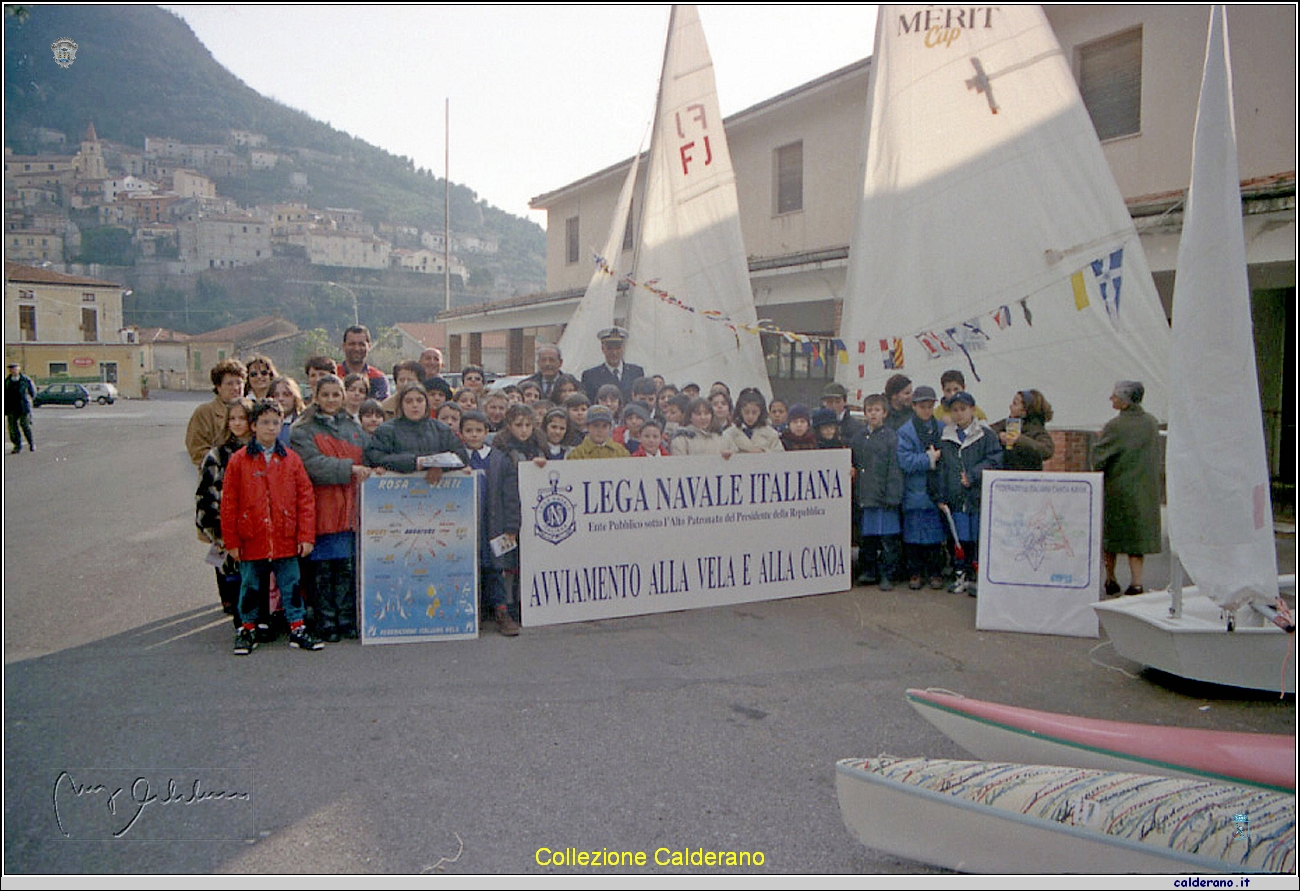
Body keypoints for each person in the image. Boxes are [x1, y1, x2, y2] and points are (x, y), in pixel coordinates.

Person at [221, 399, 321, 655]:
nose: (270, 428)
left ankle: (297, 627)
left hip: (285, 536)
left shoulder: (291, 460)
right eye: (264, 422)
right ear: (253, 426)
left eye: (276, 422)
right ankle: (247, 628)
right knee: (250, 585)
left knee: (291, 584)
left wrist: (305, 535)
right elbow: (229, 503)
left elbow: (305, 498)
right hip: (251, 537)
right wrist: (231, 541)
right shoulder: (238, 461)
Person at [291, 375, 376, 641]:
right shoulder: (302, 430)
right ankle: (326, 621)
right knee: (322, 569)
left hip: (350, 506)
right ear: (315, 396)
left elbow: (370, 454)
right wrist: (349, 468)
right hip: (321, 507)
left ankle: (347, 619)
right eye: (325, 395)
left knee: (346, 567)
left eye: (335, 395)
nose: (330, 400)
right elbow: (312, 465)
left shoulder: (353, 427)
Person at [1093, 380, 1162, 597]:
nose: (1111, 399)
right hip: (1145, 489)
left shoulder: (1115, 426)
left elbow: (1099, 457)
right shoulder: (1151, 423)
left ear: (1123, 401)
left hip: (1118, 489)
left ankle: (1111, 578)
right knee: (1136, 540)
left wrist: (1100, 439)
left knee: (1111, 537)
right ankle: (1137, 582)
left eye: (1114, 396)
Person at [460, 410, 521, 636]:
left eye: (478, 430)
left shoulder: (499, 459)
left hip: (494, 523)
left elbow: (511, 496)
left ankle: (501, 611)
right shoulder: (457, 459)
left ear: (486, 432)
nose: (474, 435)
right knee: (467, 567)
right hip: (467, 524)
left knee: (496, 568)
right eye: (469, 431)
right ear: (462, 433)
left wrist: (512, 526)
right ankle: (469, 613)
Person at [936, 391, 1002, 594]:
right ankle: (960, 575)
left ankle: (979, 578)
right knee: (959, 539)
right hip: (956, 499)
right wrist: (941, 496)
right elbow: (942, 469)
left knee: (978, 538)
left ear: (972, 410)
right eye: (955, 410)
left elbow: (995, 460)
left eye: (963, 409)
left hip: (978, 497)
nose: (959, 414)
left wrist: (973, 475)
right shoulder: (947, 436)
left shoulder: (985, 434)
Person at [195, 396, 254, 622]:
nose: (237, 423)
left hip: (256, 531)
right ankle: (242, 625)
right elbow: (205, 495)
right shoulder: (217, 455)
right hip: (229, 531)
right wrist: (217, 532)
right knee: (235, 580)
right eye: (233, 419)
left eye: (243, 418)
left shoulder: (263, 451)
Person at [851, 394, 904, 589]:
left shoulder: (891, 437)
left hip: (885, 496)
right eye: (869, 410)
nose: (873, 414)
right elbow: (854, 462)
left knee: (888, 538)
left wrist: (892, 495)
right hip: (866, 495)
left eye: (877, 410)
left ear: (884, 413)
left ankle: (888, 574)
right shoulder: (858, 437)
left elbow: (894, 468)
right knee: (868, 537)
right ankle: (869, 571)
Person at [896, 385, 946, 590]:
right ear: (914, 407)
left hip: (935, 491)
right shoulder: (905, 431)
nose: (926, 410)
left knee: (935, 537)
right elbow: (905, 461)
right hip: (915, 492)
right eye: (922, 406)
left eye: (929, 406)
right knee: (913, 536)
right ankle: (915, 573)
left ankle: (935, 572)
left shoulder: (942, 428)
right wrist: (929, 458)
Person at [366, 383, 470, 480]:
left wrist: (442, 468)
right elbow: (376, 457)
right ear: (401, 404)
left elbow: (461, 456)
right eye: (409, 401)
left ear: (426, 403)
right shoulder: (386, 430)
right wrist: (414, 462)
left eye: (419, 400)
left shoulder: (442, 430)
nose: (415, 405)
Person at [186, 358, 246, 466]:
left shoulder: (251, 409)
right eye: (229, 384)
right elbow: (197, 450)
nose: (236, 388)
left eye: (239, 382)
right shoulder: (204, 413)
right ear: (218, 387)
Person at [990, 389, 1055, 471]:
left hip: (1026, 477)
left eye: (1015, 404)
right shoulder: (1006, 423)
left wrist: (1019, 440)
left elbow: (1047, 451)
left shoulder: (1037, 430)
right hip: (1003, 475)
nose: (1010, 406)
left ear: (1025, 410)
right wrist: (999, 436)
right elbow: (988, 431)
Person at [581, 326, 645, 402]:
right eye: (609, 348)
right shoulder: (590, 376)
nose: (614, 353)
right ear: (603, 349)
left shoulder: (636, 372)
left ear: (623, 348)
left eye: (618, 348)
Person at [722, 388, 784, 453]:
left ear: (760, 412)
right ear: (740, 411)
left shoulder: (771, 434)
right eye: (746, 412)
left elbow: (780, 457)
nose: (750, 416)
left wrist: (764, 452)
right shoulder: (728, 434)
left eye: (754, 412)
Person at [337, 325, 389, 400]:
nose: (356, 348)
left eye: (361, 344)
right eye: (352, 344)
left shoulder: (378, 378)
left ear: (369, 347)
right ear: (343, 346)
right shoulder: (334, 374)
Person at [5, 361, 37, 454]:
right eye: (11, 369)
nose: (13, 370)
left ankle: (31, 444)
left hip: (23, 407)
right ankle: (17, 446)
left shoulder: (25, 380)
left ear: (18, 369)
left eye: (15, 368)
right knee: (13, 428)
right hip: (11, 408)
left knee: (25, 425)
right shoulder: (7, 381)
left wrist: (30, 402)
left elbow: (32, 392)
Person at [267, 376, 305, 449]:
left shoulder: (302, 424)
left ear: (295, 398)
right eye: (276, 395)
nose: (281, 399)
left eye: (286, 395)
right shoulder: (262, 424)